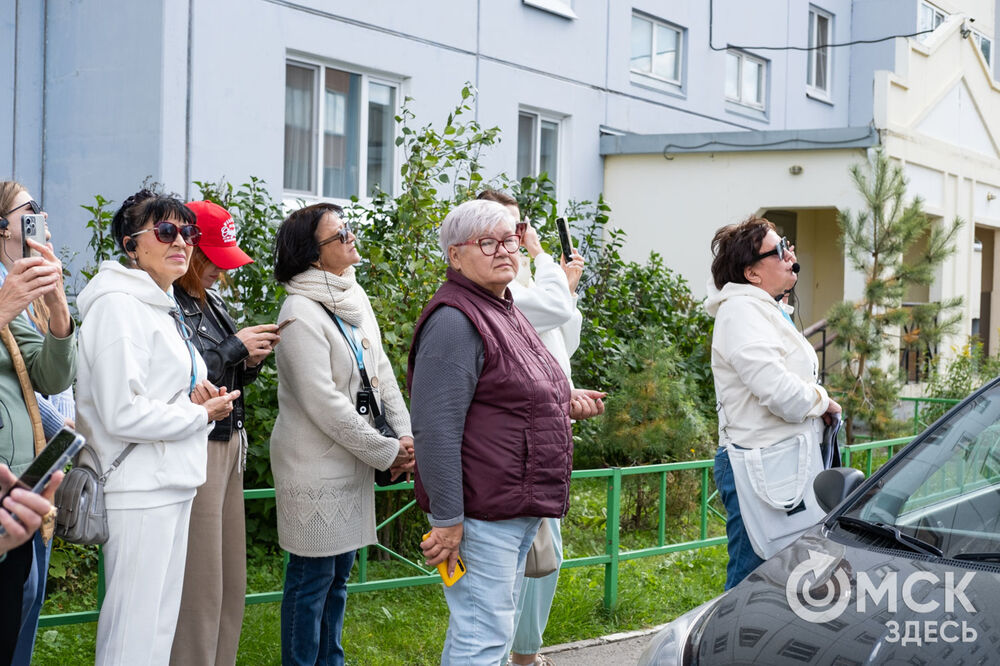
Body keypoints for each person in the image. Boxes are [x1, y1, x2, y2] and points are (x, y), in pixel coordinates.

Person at [409, 198, 605, 664]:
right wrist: (448, 520)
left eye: (510, 242)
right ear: (455, 255)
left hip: (511, 504)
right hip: (482, 511)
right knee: (484, 637)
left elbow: (514, 393)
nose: (504, 252)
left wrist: (563, 404)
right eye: (487, 243)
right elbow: (435, 430)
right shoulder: (456, 320)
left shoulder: (503, 306)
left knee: (485, 631)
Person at [76, 189, 239, 665]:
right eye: (165, 231)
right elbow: (120, 412)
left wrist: (195, 397)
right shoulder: (118, 306)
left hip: (171, 480)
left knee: (157, 628)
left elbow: (154, 394)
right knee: (133, 632)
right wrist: (197, 414)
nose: (181, 242)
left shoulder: (159, 304)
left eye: (187, 232)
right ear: (131, 245)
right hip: (138, 486)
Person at [270, 202, 414, 666]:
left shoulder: (353, 295)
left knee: (339, 578)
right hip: (314, 466)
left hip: (353, 461)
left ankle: (331, 661)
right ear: (313, 255)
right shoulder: (298, 311)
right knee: (311, 581)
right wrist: (385, 450)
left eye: (347, 229)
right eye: (339, 235)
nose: (351, 238)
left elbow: (382, 371)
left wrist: (405, 437)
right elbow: (324, 403)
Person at [476, 190, 584, 666]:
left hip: (551, 426)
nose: (515, 240)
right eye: (506, 231)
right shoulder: (500, 289)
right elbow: (553, 310)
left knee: (545, 551)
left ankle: (524, 650)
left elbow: (566, 335)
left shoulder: (527, 281)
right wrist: (545, 261)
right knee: (525, 554)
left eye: (520, 230)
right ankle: (515, 655)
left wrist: (566, 286)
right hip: (518, 438)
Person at [169, 200, 279, 666]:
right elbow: (178, 379)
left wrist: (248, 363)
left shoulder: (206, 300)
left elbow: (219, 375)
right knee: (200, 581)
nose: (220, 270)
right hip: (199, 444)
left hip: (226, 441)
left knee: (229, 578)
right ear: (189, 249)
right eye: (213, 259)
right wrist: (235, 348)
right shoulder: (166, 301)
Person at [705, 216, 841, 589]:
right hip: (760, 466)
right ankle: (723, 647)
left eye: (788, 245)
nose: (790, 253)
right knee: (752, 577)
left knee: (784, 575)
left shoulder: (762, 309)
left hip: (781, 463)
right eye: (779, 248)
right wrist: (821, 400)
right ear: (752, 273)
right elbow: (780, 393)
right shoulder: (741, 313)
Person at [0, 181, 77, 665]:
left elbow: (52, 374)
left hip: (22, 486)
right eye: (29, 210)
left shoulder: (20, 287)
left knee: (15, 618)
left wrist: (58, 313)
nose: (40, 217)